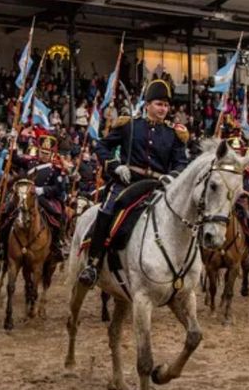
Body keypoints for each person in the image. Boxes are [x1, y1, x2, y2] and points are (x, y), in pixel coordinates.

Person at [78, 79, 189, 287]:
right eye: (158, 104)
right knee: (108, 210)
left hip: (158, 186)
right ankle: (93, 264)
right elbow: (102, 146)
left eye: (166, 105)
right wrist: (115, 166)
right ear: (147, 105)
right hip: (128, 183)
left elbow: (182, 162)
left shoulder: (174, 134)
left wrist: (172, 176)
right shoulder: (129, 125)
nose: (163, 109)